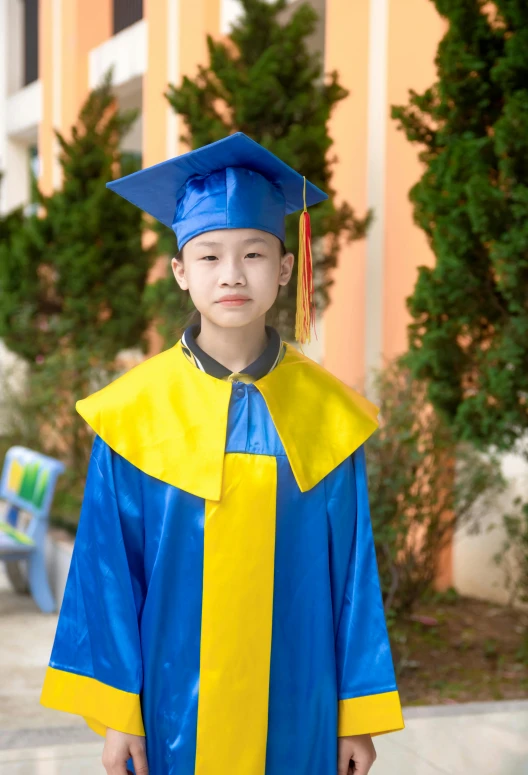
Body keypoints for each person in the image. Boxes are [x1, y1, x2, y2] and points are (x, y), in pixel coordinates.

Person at [39, 132, 405, 775]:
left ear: (287, 269)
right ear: (181, 272)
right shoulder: (133, 415)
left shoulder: (329, 415)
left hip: (300, 700)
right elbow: (107, 574)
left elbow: (354, 577)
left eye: (255, 254)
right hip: (173, 706)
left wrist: (358, 714)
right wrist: (122, 714)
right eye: (208, 255)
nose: (232, 274)